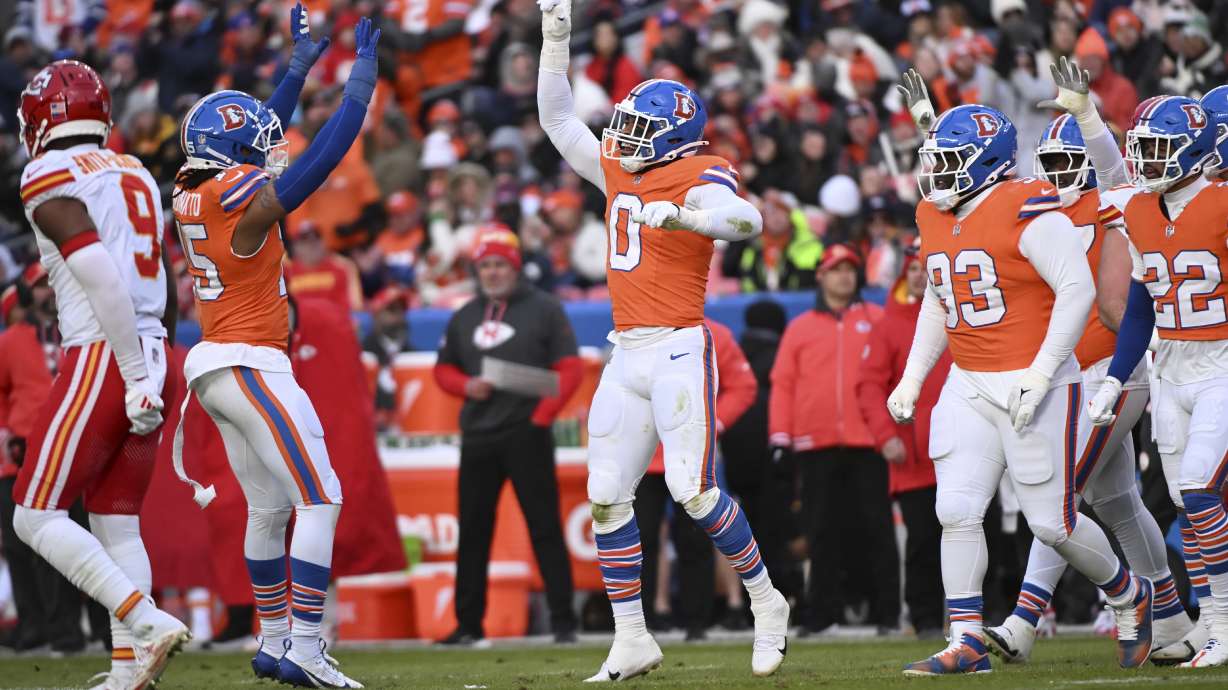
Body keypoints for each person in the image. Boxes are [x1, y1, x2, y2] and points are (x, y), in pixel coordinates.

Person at [537, 0, 789, 679]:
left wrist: (686, 217)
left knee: (693, 490)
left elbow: (748, 220)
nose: (623, 136)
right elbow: (558, 120)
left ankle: (767, 602)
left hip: (681, 344)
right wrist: (555, 36)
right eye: (624, 123)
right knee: (606, 493)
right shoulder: (621, 165)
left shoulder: (699, 172)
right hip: (627, 350)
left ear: (678, 138)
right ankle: (632, 636)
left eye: (640, 128)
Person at [887, 99, 1153, 675]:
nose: (935, 173)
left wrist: (1041, 370)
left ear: (987, 165)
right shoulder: (933, 213)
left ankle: (1130, 593)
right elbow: (940, 295)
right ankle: (965, 641)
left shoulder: (1028, 207)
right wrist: (914, 375)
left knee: (1051, 524)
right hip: (968, 378)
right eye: (934, 159)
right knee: (955, 509)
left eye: (949, 160)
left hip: (1036, 379)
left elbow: (1077, 290)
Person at [168, 7, 378, 687]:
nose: (269, 146)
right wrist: (357, 93)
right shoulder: (242, 197)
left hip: (216, 366)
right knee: (321, 498)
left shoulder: (192, 185)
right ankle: (308, 650)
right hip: (251, 359)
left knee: (269, 508)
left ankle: (276, 639)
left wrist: (292, 75)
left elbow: (253, 135)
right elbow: (316, 166)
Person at [987, 61, 1197, 664]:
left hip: (1114, 372)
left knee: (1060, 490)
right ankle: (1177, 620)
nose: (1055, 176)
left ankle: (1025, 619)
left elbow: (1112, 171)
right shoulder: (1037, 213)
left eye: (1063, 163)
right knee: (1119, 505)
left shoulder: (1111, 205)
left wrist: (1087, 119)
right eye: (1047, 165)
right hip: (1068, 377)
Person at [14, 58, 188, 689]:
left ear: (39, 121)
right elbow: (162, 277)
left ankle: (142, 619)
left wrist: (134, 369)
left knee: (33, 515)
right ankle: (126, 672)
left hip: (106, 353)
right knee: (117, 517)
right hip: (151, 347)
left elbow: (98, 274)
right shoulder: (135, 170)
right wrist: (156, 361)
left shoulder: (47, 171)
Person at [1084, 94, 1228, 668]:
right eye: (1140, 148)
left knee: (1197, 488)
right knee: (1183, 501)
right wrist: (1116, 378)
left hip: (1220, 363)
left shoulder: (1220, 202)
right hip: (1169, 369)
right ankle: (1209, 623)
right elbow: (1141, 304)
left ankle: (1226, 623)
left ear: (1193, 150)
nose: (1145, 161)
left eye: (1157, 148)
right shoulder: (1140, 209)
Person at [432, 227, 583, 645]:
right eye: (485, 266)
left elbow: (569, 369)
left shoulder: (546, 309)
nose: (493, 272)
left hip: (526, 433)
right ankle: (467, 625)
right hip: (478, 435)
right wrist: (466, 386)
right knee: (474, 531)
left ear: (515, 267)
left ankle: (563, 622)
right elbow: (442, 369)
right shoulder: (464, 315)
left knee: (545, 528)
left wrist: (542, 416)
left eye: (499, 264)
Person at [769, 244, 899, 636]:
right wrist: (780, 438)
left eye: (850, 269)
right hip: (816, 444)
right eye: (836, 269)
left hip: (868, 442)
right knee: (820, 532)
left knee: (877, 529)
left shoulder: (878, 320)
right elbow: (783, 386)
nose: (844, 276)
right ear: (821, 276)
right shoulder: (800, 328)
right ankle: (821, 614)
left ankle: (888, 613)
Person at [634, 317, 757, 640]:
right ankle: (641, 624)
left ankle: (696, 622)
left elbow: (744, 386)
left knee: (694, 538)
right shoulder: (638, 330)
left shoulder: (715, 333)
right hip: (647, 454)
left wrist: (714, 425)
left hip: (691, 452)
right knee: (643, 537)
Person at [856, 241, 949, 639]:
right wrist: (885, 437)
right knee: (922, 540)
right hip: (914, 455)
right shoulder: (888, 326)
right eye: (912, 268)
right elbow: (868, 387)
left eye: (923, 267)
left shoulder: (958, 316)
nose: (918, 274)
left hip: (962, 444)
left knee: (982, 529)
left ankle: (988, 611)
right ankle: (926, 617)